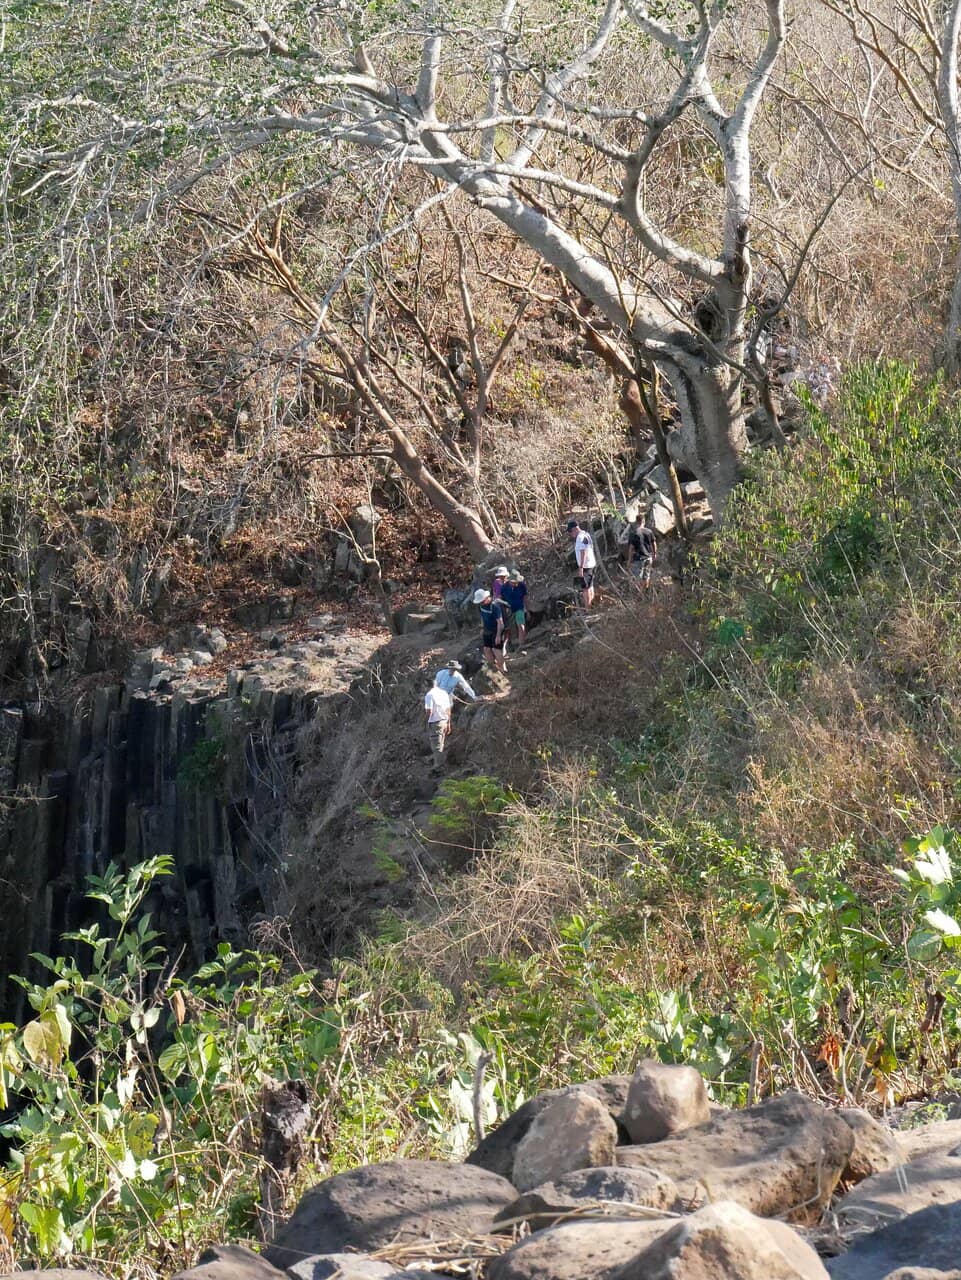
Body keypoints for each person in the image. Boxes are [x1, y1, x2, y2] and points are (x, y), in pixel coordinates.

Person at [472, 586, 510, 673]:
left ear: (486, 598)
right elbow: (482, 617)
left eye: (482, 601)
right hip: (487, 629)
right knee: (486, 649)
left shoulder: (495, 606)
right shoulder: (481, 606)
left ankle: (503, 670)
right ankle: (493, 668)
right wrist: (482, 628)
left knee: (496, 649)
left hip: (497, 630)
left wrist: (498, 636)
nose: (481, 603)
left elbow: (500, 623)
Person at [567, 518, 597, 610]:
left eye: (571, 532)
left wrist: (581, 568)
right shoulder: (586, 534)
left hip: (586, 566)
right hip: (591, 564)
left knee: (585, 588)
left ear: (575, 529)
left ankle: (587, 608)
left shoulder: (580, 538)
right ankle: (591, 606)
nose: (571, 534)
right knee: (590, 586)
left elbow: (583, 552)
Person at [424, 681, 453, 769]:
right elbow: (448, 709)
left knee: (436, 745)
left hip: (435, 722)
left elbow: (429, 711)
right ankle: (441, 764)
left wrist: (425, 721)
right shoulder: (444, 693)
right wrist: (448, 723)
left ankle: (439, 766)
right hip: (444, 720)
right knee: (441, 743)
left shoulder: (429, 695)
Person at [627, 512, 657, 593]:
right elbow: (654, 544)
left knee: (637, 578)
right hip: (648, 557)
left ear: (636, 522)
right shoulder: (649, 532)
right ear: (644, 521)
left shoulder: (633, 533)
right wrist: (654, 554)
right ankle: (646, 593)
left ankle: (639, 595)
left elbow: (631, 548)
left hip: (638, 559)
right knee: (646, 576)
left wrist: (629, 560)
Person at [501, 569, 528, 646]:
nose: (516, 583)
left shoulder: (522, 585)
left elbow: (525, 597)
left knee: (521, 625)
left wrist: (526, 608)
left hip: (519, 607)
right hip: (508, 609)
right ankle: (509, 645)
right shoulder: (504, 587)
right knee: (509, 627)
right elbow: (501, 598)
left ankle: (521, 644)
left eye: (517, 582)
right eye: (514, 582)